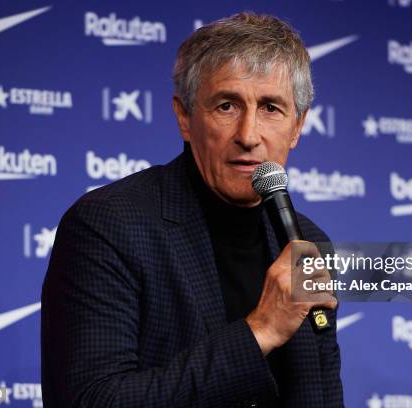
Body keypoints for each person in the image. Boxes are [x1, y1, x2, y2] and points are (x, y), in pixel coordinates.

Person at [41, 12, 344, 407]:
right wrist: (260, 332)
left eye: (271, 107)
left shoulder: (309, 244)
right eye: (226, 106)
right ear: (185, 117)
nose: (248, 135)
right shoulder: (108, 225)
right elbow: (91, 400)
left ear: (298, 126)